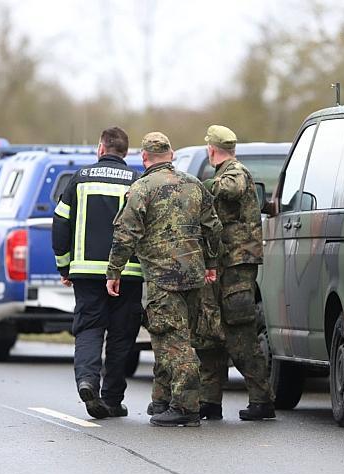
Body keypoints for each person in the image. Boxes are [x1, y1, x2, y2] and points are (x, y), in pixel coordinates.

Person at [106, 132, 222, 427]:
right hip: (194, 276)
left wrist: (114, 271)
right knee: (169, 337)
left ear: (144, 158)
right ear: (170, 155)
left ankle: (185, 407)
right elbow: (214, 228)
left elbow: (125, 234)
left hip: (162, 278)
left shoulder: (141, 188)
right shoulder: (194, 185)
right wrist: (211, 264)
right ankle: (162, 398)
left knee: (173, 341)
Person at [52, 127, 143, 419]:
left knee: (89, 328)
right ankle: (113, 400)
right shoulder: (136, 181)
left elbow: (60, 223)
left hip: (86, 274)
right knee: (121, 336)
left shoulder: (80, 179)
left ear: (101, 149)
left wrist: (64, 265)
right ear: (125, 153)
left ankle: (87, 381)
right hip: (128, 274)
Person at [195, 125, 276, 421]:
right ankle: (209, 401)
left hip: (236, 267)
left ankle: (262, 400)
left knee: (240, 332)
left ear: (211, 149)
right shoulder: (224, 171)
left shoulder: (235, 172)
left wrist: (200, 187)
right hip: (221, 265)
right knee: (211, 332)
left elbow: (233, 187)